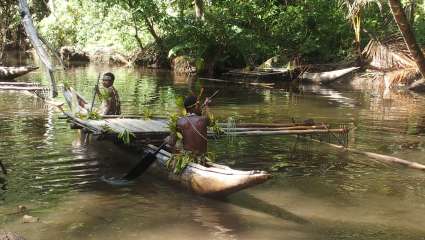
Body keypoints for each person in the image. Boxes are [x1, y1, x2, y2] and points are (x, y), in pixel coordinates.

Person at [166, 95, 212, 171]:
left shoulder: (179, 122)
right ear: (196, 106)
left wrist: (167, 140)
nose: (201, 106)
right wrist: (207, 106)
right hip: (202, 159)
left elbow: (171, 143)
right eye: (199, 105)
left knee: (174, 145)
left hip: (187, 159)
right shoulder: (203, 120)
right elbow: (210, 120)